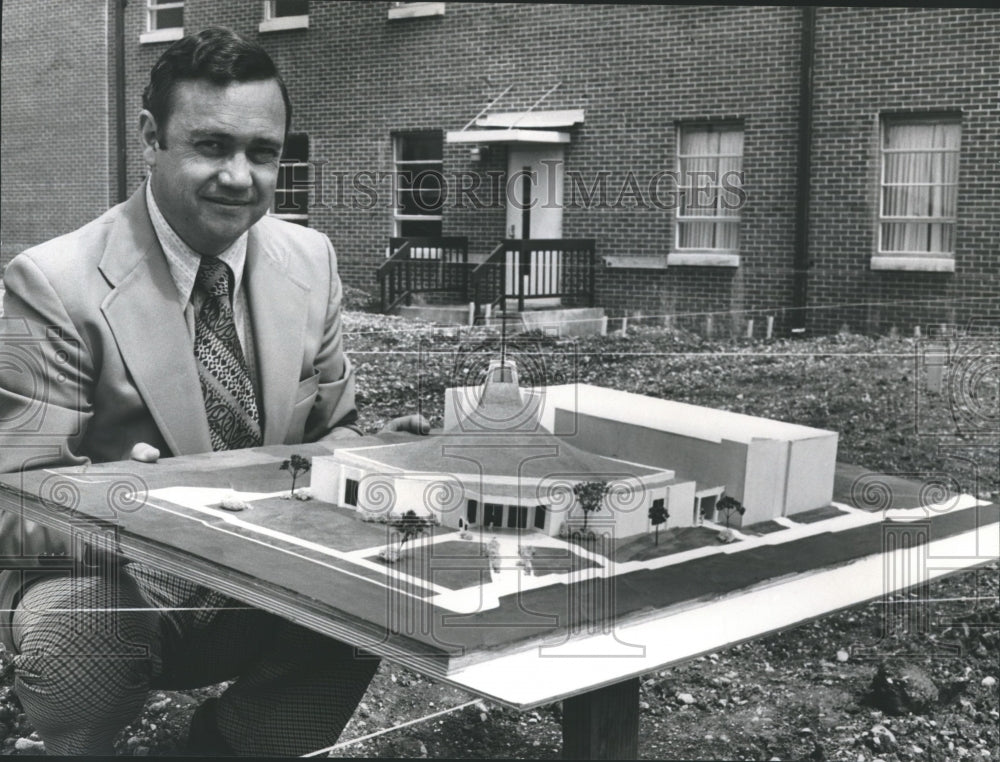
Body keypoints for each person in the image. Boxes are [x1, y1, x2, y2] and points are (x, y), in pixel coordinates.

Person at [0, 27, 426, 756]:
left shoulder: (311, 258)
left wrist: (376, 458)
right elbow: (12, 503)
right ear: (149, 138)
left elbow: (337, 428)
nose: (240, 177)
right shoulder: (52, 283)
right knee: (82, 634)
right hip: (115, 574)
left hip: (271, 567)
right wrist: (128, 504)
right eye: (211, 146)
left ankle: (235, 747)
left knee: (386, 594)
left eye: (262, 152)